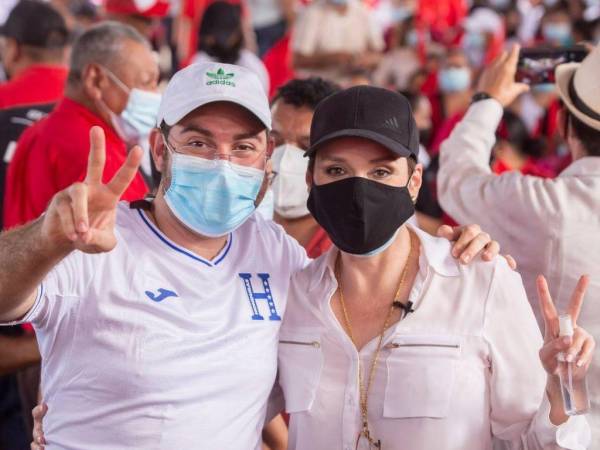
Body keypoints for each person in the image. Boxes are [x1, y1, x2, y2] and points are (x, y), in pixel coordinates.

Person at [4, 60, 502, 449]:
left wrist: (457, 254)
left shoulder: (276, 255)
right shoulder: (98, 241)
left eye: (242, 147)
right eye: (199, 142)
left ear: (265, 160)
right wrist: (45, 240)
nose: (222, 163)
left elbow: (357, 329)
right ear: (160, 150)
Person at [277, 85, 593, 450]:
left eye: (380, 172)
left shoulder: (481, 280)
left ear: (413, 184)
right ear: (310, 181)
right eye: (336, 169)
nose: (358, 190)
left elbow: (531, 441)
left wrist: (562, 394)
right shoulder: (294, 294)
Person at [437, 44, 600, 444]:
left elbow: (456, 178)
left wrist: (487, 99)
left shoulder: (543, 205)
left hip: (543, 432)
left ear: (563, 125)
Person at [3, 21, 156, 230]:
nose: (155, 95)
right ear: (95, 79)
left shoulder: (37, 130)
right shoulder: (98, 155)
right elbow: (133, 242)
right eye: (146, 82)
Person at [270, 77, 341, 257]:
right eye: (275, 141)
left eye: (306, 146)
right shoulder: (239, 229)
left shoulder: (344, 250)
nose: (285, 158)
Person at [291, 0, 384, 86]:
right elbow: (297, 61)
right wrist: (334, 58)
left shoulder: (363, 11)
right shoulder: (312, 13)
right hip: (320, 86)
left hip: (355, 83)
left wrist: (364, 61)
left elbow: (378, 56)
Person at [0, 0, 69, 109]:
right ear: (65, 51)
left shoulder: (3, 98)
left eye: (5, 45)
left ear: (14, 49)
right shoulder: (90, 96)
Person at [192, 1, 270, 93]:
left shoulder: (251, 66)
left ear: (237, 33)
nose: (223, 41)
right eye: (215, 36)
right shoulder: (199, 64)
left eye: (226, 36)